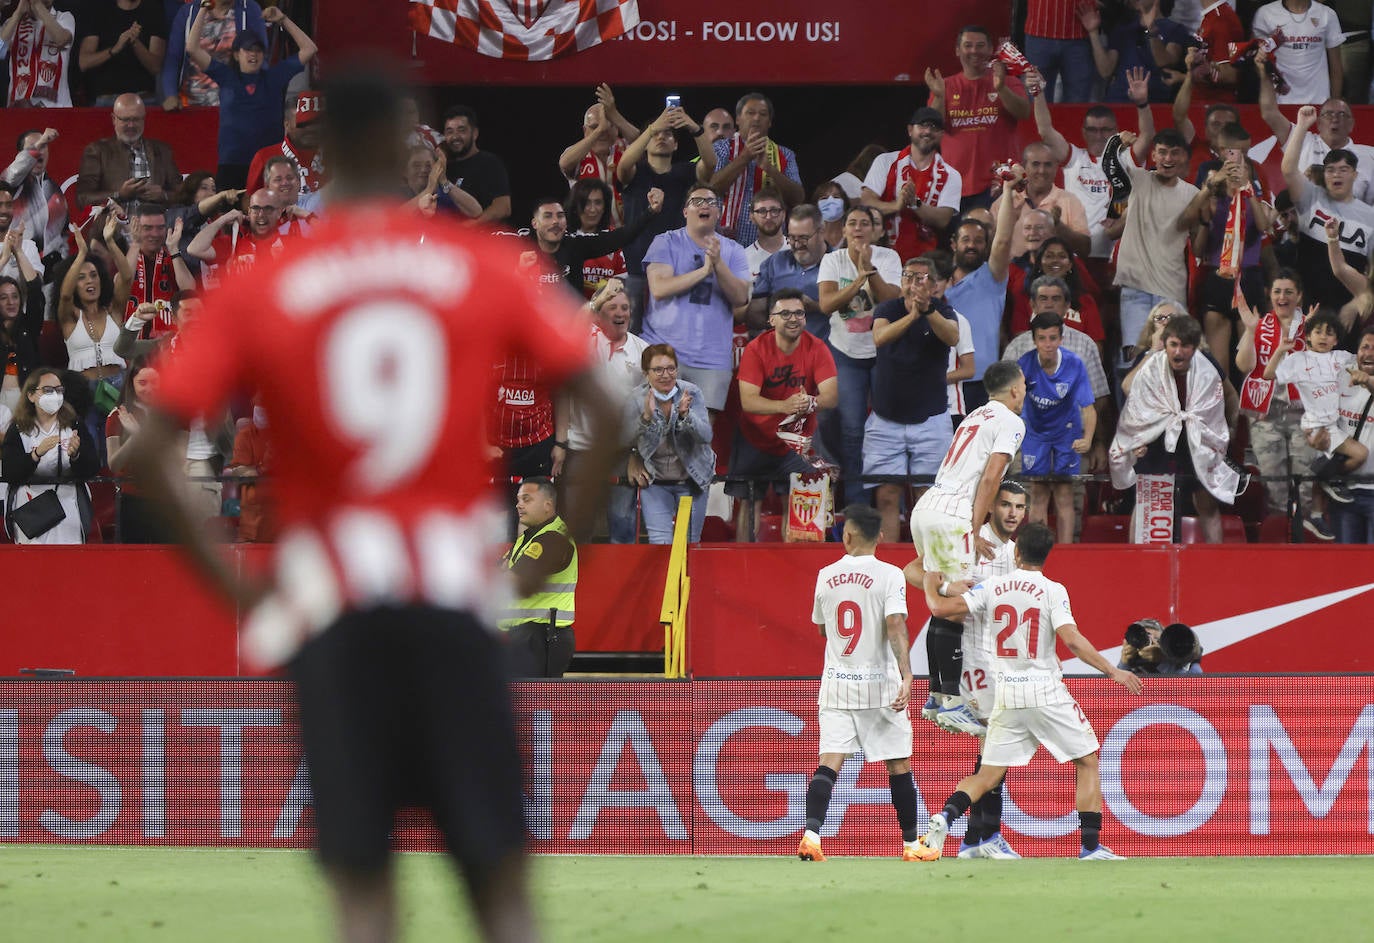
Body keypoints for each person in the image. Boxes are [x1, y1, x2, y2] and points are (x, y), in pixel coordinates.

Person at [126, 65, 621, 943]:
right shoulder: (479, 266)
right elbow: (606, 406)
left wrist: (245, 595)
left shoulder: (268, 278)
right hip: (452, 599)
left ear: (317, 152)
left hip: (335, 608)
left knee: (363, 892)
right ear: (409, 145)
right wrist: (560, 542)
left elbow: (149, 451)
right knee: (501, 886)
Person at [910, 523, 1144, 862]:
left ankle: (945, 816)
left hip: (1006, 692)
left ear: (1017, 553)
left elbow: (941, 610)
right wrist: (1113, 671)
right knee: (1087, 760)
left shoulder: (993, 586)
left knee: (988, 774)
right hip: (1044, 690)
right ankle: (1091, 848)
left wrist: (932, 587)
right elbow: (1073, 641)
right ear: (1047, 555)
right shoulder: (1052, 590)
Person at [908, 479, 1027, 858]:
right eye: (1006, 504)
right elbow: (912, 569)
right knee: (998, 747)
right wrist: (944, 590)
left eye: (1019, 507)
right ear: (991, 507)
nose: (1012, 513)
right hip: (972, 657)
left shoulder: (1012, 551)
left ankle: (976, 839)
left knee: (993, 747)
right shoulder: (969, 538)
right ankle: (984, 836)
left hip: (996, 658)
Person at [907, 359, 1026, 736]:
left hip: (928, 505)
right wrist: (974, 527)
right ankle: (952, 700)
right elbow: (992, 476)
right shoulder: (1011, 421)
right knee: (955, 609)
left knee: (945, 597)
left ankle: (936, 695)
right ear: (1015, 389)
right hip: (954, 511)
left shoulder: (974, 415)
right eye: (1023, 386)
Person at [797, 504, 921, 863]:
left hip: (837, 684)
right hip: (879, 686)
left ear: (846, 535)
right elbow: (896, 623)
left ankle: (811, 836)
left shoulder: (825, 574)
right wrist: (908, 673)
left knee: (829, 762)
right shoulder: (890, 574)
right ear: (880, 538)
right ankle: (912, 846)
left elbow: (822, 627)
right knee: (898, 765)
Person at [1112, 315, 1242, 544]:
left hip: (1197, 439)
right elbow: (1131, 395)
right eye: (1173, 345)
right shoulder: (1150, 361)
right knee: (1148, 502)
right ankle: (1138, 561)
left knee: (1207, 503)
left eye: (1185, 346)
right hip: (1157, 439)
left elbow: (1228, 396)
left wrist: (1227, 429)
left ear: (1194, 347)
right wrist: (1139, 438)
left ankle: (1216, 564)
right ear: (1165, 343)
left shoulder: (1207, 364)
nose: (1178, 352)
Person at [865, 254, 960, 544]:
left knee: (928, 500)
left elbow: (953, 337)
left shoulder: (944, 311)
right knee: (886, 496)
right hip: (885, 421)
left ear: (933, 285)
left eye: (921, 278)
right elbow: (879, 338)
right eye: (908, 276)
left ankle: (927, 566)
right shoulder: (888, 308)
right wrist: (911, 316)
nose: (913, 283)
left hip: (930, 421)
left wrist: (928, 311)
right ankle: (889, 568)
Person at [730, 289, 838, 540]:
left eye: (799, 313)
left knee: (801, 502)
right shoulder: (757, 349)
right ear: (771, 319)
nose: (793, 318)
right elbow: (748, 401)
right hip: (754, 437)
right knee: (749, 503)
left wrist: (808, 403)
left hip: (799, 440)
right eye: (785, 313)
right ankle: (745, 565)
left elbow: (831, 396)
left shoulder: (817, 347)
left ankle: (798, 569)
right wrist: (785, 406)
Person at [640, 184, 751, 413]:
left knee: (699, 439)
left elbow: (741, 298)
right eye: (697, 201)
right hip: (664, 353)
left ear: (718, 212)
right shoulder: (666, 241)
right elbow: (659, 288)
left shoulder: (734, 250)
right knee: (658, 434)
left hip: (712, 360)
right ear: (685, 211)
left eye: (711, 202)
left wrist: (718, 264)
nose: (705, 206)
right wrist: (703, 271)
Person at [818, 205, 902, 505]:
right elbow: (826, 305)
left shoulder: (888, 257)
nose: (858, 228)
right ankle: (856, 503)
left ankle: (892, 501)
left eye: (865, 223)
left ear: (876, 230)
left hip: (883, 353)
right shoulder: (832, 260)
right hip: (845, 354)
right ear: (843, 230)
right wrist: (857, 279)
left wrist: (870, 270)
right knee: (852, 430)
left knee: (887, 428)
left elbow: (892, 300)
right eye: (851, 223)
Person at [186, 4, 317, 190]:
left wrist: (282, 20)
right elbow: (192, 48)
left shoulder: (275, 77)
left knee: (271, 216)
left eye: (258, 50)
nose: (253, 54)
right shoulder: (226, 76)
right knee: (229, 216)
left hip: (269, 163)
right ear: (237, 55)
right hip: (232, 164)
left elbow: (310, 48)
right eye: (248, 50)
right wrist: (203, 10)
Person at [1236, 271, 1326, 539]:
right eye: (1277, 291)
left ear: (1299, 296)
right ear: (1270, 295)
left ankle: (1305, 548)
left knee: (1305, 488)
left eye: (1288, 292)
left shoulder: (1313, 327)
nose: (1282, 297)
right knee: (1274, 489)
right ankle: (1278, 550)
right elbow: (1244, 366)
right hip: (1266, 416)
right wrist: (1250, 330)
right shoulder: (1259, 324)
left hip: (1304, 415)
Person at [1110, 129, 1200, 367]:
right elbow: (1112, 166)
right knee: (1134, 357)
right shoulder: (1138, 179)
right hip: (1135, 288)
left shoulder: (1193, 195)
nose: (1167, 159)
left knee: (1173, 357)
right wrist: (1119, 144)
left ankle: (1169, 405)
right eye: (1162, 152)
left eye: (1174, 153)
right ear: (1153, 155)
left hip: (1171, 288)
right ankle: (1133, 406)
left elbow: (1199, 247)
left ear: (1184, 160)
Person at [567, 279, 648, 544]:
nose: (620, 313)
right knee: (577, 526)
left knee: (623, 525)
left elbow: (647, 408)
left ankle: (619, 584)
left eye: (624, 307)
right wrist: (597, 300)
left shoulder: (642, 350)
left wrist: (637, 451)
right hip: (581, 448)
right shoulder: (585, 339)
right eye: (612, 307)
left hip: (622, 451)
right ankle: (578, 584)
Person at [1280, 104, 1374, 315]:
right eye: (1330, 170)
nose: (1336, 175)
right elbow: (1288, 169)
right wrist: (1302, 126)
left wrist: (1357, 302)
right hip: (1305, 305)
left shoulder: (1370, 217)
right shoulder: (1310, 197)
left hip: (1346, 312)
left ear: (1355, 175)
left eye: (1343, 170)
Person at [924, 25, 1030, 209]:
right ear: (958, 50)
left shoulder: (1008, 81)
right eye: (968, 45)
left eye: (980, 45)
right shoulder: (945, 86)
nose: (974, 50)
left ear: (990, 49)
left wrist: (1001, 89)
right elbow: (932, 130)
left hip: (999, 186)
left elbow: (1024, 112)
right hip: (954, 187)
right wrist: (940, 97)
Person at [1266, 311, 1367, 505]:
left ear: (1336, 340)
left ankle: (1325, 480)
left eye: (1329, 333)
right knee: (1360, 454)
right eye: (1318, 331)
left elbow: (1364, 360)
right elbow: (1269, 375)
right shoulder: (1298, 360)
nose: (1323, 336)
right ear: (1308, 337)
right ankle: (1329, 479)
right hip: (1314, 425)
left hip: (1334, 426)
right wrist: (1279, 350)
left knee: (1353, 457)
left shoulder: (1340, 357)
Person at [1017, 311, 1095, 545]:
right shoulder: (1024, 364)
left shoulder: (1074, 365)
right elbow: (1013, 403)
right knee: (1038, 493)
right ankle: (1035, 551)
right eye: (1042, 338)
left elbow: (1089, 408)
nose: (1048, 344)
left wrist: (1088, 439)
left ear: (1061, 339)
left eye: (1053, 338)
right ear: (1034, 340)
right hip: (1035, 433)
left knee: (1064, 494)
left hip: (1066, 433)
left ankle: (1066, 553)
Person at [625, 343, 715, 544]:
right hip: (656, 482)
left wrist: (685, 416)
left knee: (689, 544)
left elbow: (706, 435)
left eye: (671, 368)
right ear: (646, 373)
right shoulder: (636, 398)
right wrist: (645, 419)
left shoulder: (691, 392)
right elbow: (624, 438)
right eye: (658, 369)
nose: (665, 375)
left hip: (693, 479)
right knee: (661, 545)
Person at [2, 368, 98, 544]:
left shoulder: (73, 424)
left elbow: (92, 467)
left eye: (59, 390)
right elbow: (9, 471)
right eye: (47, 390)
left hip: (68, 507)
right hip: (30, 508)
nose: (54, 395)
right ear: (31, 395)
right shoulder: (18, 429)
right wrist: (36, 454)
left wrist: (76, 455)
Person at [498, 478, 580, 679]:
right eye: (518, 499)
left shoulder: (553, 539)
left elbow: (512, 580)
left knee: (534, 706)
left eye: (527, 499)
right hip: (528, 636)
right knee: (524, 705)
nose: (519, 504)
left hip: (540, 637)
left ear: (547, 505)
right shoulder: (531, 537)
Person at [860, 107, 962, 264]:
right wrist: (896, 206)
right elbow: (866, 202)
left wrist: (915, 204)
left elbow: (943, 219)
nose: (927, 131)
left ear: (941, 135)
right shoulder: (885, 161)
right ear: (910, 130)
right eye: (922, 125)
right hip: (880, 256)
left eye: (934, 127)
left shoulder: (952, 175)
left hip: (923, 262)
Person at [705, 92, 804, 245]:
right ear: (737, 119)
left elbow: (798, 198)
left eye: (763, 114)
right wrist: (745, 157)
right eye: (750, 113)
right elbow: (712, 189)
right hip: (725, 244)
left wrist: (770, 169)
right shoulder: (721, 149)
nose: (757, 118)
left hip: (770, 246)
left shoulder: (785, 154)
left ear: (770, 122)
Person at [1314, 325, 1374, 542]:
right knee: (1346, 567)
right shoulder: (1341, 374)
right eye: (1365, 347)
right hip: (1344, 495)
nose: (1369, 353)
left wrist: (1367, 381)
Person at [75, 94, 182, 209]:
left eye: (136, 119)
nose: (131, 125)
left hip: (157, 224)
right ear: (113, 119)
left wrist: (163, 195)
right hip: (114, 223)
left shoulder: (162, 150)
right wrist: (119, 195)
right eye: (125, 120)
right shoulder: (97, 151)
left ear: (144, 119)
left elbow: (184, 196)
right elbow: (83, 198)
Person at [160, 0, 266, 111]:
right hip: (190, 104)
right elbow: (173, 60)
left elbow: (260, 58)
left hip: (235, 104)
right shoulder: (188, 12)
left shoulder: (250, 9)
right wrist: (170, 95)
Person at [104, 356, 161, 543]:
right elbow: (113, 464)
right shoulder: (119, 415)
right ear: (131, 384)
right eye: (142, 383)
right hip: (132, 498)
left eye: (155, 382)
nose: (149, 389)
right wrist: (136, 438)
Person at [1252, 0, 1344, 105]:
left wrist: (1333, 104)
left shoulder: (1327, 14)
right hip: (1278, 103)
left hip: (1319, 101)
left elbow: (1336, 68)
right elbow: (1257, 63)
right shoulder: (1265, 14)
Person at [77, 0, 166, 106]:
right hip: (105, 99)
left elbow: (155, 67)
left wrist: (135, 42)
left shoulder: (153, 10)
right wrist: (114, 50)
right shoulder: (99, 10)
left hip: (143, 99)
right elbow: (84, 62)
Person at [440, 104, 512, 222]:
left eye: (461, 130)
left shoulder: (490, 163)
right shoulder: (443, 168)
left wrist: (469, 227)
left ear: (475, 133)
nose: (455, 137)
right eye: (449, 131)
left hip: (481, 237)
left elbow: (503, 207)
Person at [3, 0, 75, 107]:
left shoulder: (63, 17)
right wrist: (17, 14)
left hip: (56, 107)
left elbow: (62, 39)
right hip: (19, 109)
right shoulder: (13, 22)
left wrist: (38, 6)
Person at [0, 236, 43, 415]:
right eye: (3, 297)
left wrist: (18, 252)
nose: (11, 302)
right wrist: (4, 259)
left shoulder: (29, 325)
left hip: (26, 404)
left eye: (15, 296)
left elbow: (34, 289)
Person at [225, 392, 275, 543]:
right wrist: (262, 469)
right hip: (251, 520)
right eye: (258, 407)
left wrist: (255, 470)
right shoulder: (245, 435)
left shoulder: (284, 436)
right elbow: (240, 471)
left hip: (279, 516)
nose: (261, 411)